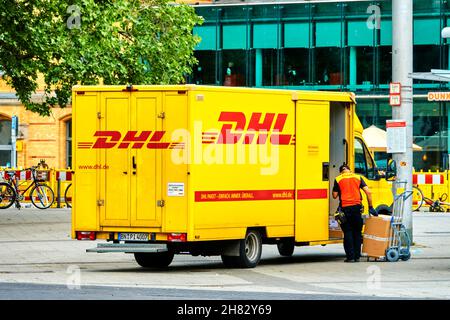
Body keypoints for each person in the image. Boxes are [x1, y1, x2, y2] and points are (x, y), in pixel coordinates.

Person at [332, 164, 378, 262]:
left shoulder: (338, 179)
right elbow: (368, 192)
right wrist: (370, 207)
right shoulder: (358, 177)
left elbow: (334, 195)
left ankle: (350, 257)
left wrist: (339, 190)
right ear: (350, 170)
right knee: (357, 232)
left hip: (345, 209)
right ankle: (357, 256)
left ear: (341, 172)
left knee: (348, 232)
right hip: (357, 209)